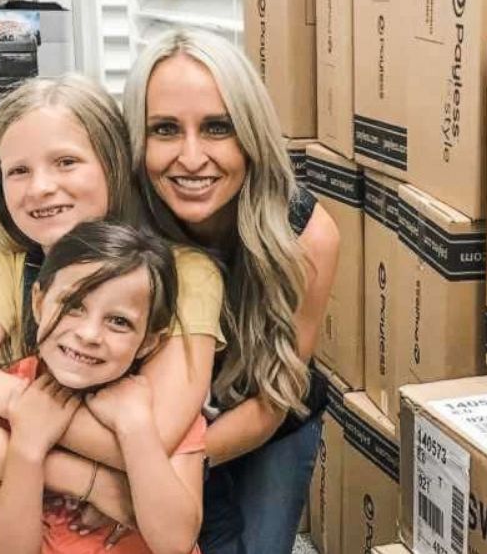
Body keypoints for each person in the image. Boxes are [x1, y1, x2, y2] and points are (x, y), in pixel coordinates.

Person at [0, 74, 225, 536]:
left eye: (66, 162)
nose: (40, 188)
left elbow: (154, 436)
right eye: (18, 171)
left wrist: (12, 400)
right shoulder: (7, 269)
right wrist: (91, 482)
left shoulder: (185, 273)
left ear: (113, 164)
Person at [122, 29, 340, 554]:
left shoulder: (306, 238)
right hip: (155, 426)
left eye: (217, 127)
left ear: (251, 134)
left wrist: (169, 464)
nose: (191, 157)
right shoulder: (123, 227)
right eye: (165, 130)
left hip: (263, 416)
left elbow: (274, 398)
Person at [0, 220, 204, 554]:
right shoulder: (8, 396)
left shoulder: (159, 404)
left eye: (119, 321)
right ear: (38, 302)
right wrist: (27, 445)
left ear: (148, 342)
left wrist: (136, 426)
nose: (89, 334)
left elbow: (176, 543)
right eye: (73, 306)